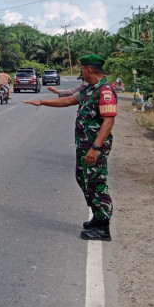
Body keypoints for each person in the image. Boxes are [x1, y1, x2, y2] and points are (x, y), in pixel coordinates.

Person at [24, 54, 117, 241]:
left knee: (96, 183)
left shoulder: (105, 91)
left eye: (82, 68)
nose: (81, 72)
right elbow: (67, 101)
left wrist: (96, 147)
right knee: (83, 179)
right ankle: (97, 218)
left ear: (89, 69)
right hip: (84, 146)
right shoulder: (89, 89)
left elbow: (109, 121)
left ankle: (103, 226)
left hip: (94, 147)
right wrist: (42, 102)